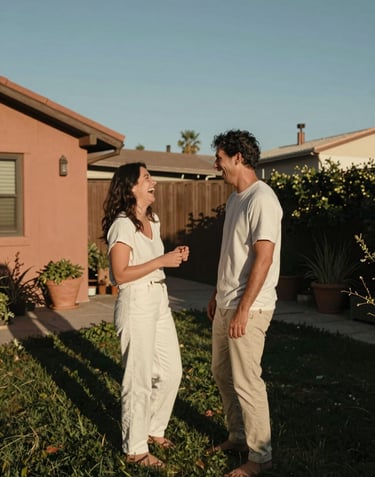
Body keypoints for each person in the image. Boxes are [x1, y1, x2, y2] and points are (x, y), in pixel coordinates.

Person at [102, 162, 189, 469]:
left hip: (158, 300)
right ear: (131, 188)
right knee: (137, 378)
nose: (153, 182)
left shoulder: (153, 219)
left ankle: (153, 428)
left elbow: (152, 260)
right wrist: (161, 260)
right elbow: (120, 274)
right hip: (136, 302)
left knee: (171, 371)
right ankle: (135, 448)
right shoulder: (122, 225)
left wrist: (171, 257)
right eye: (146, 178)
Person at [207, 130, 282, 477]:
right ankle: (238, 436)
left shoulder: (261, 199)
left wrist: (243, 308)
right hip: (226, 303)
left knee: (247, 382)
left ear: (238, 157)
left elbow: (263, 259)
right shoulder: (236, 199)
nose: (216, 164)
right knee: (222, 374)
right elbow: (232, 256)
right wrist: (217, 294)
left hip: (248, 309)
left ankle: (260, 458)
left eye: (220, 158)